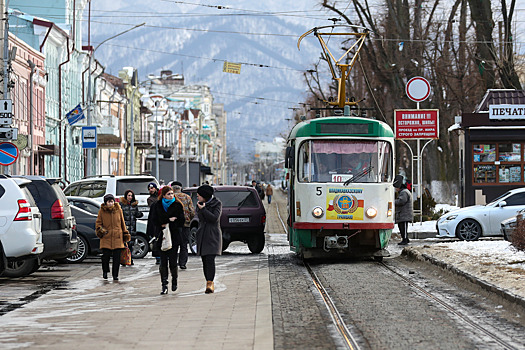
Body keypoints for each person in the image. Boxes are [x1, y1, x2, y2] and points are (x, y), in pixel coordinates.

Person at [151, 186, 185, 295]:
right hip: (162, 236)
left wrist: (169, 222)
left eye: (172, 193)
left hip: (174, 237)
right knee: (163, 262)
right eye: (168, 194)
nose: (171, 196)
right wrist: (168, 219)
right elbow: (154, 220)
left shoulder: (177, 205)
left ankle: (174, 280)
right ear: (163, 195)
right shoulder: (157, 205)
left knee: (173, 261)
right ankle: (164, 285)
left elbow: (181, 221)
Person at [95, 194, 130, 281]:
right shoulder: (102, 211)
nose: (110, 203)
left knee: (117, 258)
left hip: (118, 236)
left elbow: (122, 223)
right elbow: (98, 223)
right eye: (108, 201)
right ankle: (105, 271)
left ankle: (115, 275)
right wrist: (102, 231)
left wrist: (125, 234)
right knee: (105, 256)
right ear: (105, 202)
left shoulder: (118, 210)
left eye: (112, 201)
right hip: (106, 237)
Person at [195, 184, 222, 294]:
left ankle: (210, 284)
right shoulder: (199, 204)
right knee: (205, 260)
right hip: (202, 234)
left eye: (199, 195)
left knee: (210, 259)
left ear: (205, 195)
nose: (197, 197)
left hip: (212, 235)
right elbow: (201, 218)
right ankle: (208, 281)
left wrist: (204, 209)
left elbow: (214, 218)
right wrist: (201, 209)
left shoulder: (217, 204)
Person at [172, 181, 195, 269]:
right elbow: (192, 211)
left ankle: (173, 262)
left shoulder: (171, 197)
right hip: (186, 225)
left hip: (173, 225)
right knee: (184, 244)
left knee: (174, 244)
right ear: (181, 188)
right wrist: (189, 219)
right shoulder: (187, 197)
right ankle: (182, 263)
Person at [120, 189, 143, 266]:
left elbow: (137, 214)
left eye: (131, 196)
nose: (130, 197)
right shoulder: (122, 205)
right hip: (125, 227)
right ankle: (124, 260)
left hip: (132, 227)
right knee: (124, 244)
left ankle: (130, 259)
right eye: (129, 195)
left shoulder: (134, 205)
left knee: (131, 244)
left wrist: (140, 214)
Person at [394, 175, 413, 245]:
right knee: (401, 227)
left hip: (404, 214)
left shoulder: (404, 192)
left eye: (396, 188)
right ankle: (405, 239)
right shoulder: (404, 192)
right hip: (403, 214)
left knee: (403, 227)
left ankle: (405, 239)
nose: (396, 189)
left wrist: (393, 202)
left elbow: (401, 201)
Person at [146, 182, 161, 265]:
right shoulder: (150, 199)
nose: (150, 190)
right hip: (154, 220)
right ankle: (157, 257)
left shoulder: (160, 196)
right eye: (149, 189)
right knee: (155, 238)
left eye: (152, 188)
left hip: (161, 219)